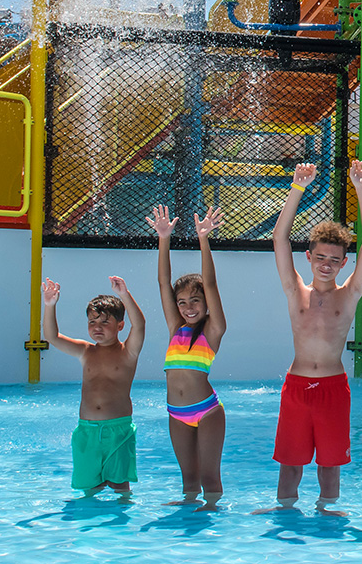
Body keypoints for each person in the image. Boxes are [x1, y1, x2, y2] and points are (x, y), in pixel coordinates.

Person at [267, 158, 362, 513]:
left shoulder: (349, 296)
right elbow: (279, 237)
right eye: (320, 257)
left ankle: (327, 510)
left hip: (332, 388)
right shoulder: (294, 290)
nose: (327, 264)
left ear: (344, 262)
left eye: (334, 259)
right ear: (309, 257)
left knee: (330, 463)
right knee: (290, 462)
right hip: (297, 387)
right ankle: (285, 509)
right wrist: (297, 188)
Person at [147, 203, 228, 507]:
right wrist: (164, 238)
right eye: (182, 302)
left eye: (195, 301)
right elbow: (162, 284)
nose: (188, 307)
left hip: (207, 411)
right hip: (176, 413)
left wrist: (203, 239)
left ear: (206, 303)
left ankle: (212, 512)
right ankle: (191, 508)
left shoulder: (213, 329)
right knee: (188, 480)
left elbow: (210, 283)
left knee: (209, 477)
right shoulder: (175, 328)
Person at [42, 274, 147, 498]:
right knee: (89, 490)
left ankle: (122, 525)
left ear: (120, 325)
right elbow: (51, 337)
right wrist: (49, 305)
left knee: (120, 487)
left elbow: (140, 324)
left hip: (118, 431)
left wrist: (124, 295)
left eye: (104, 322)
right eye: (92, 322)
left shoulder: (128, 352)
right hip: (87, 431)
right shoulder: (85, 351)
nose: (97, 327)